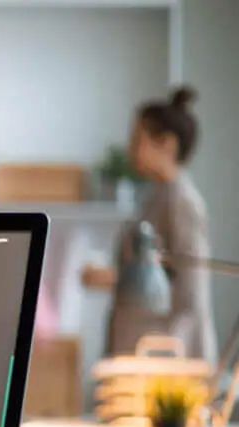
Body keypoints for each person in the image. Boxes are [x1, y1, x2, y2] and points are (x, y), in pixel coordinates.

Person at [82, 86, 217, 365]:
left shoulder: (181, 202)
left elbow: (189, 290)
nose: (131, 148)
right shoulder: (155, 196)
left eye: (137, 139)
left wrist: (113, 278)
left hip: (162, 357)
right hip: (142, 350)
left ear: (166, 143)